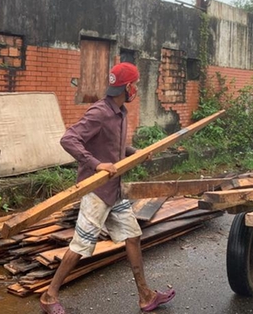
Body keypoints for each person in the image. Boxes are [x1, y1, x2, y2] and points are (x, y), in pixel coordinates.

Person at [39, 62, 176, 314]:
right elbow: (68, 139)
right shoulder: (100, 112)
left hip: (114, 190)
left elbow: (115, 147)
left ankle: (145, 295)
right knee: (81, 245)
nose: (136, 89)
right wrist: (95, 163)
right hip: (96, 191)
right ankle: (49, 295)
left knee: (132, 236)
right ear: (127, 86)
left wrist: (136, 153)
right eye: (134, 84)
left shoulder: (120, 112)